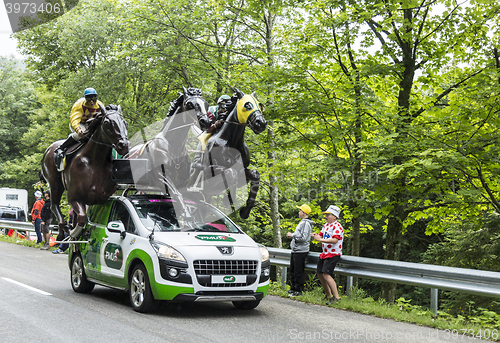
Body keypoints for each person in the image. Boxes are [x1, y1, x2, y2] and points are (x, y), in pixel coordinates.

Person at [54, 87, 105, 169]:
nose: (91, 101)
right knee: (83, 134)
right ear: (85, 98)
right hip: (80, 123)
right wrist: (78, 130)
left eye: (94, 98)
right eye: (89, 99)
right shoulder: (79, 105)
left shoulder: (100, 105)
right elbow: (74, 120)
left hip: (91, 124)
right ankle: (61, 147)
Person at [311, 205, 343, 304]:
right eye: (326, 215)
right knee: (320, 273)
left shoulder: (337, 226)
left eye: (328, 215)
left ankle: (336, 297)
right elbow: (320, 235)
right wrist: (315, 235)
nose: (326, 216)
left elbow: (334, 240)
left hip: (333, 254)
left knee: (326, 274)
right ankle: (328, 295)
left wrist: (321, 239)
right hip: (325, 253)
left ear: (335, 216)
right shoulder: (326, 225)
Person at [286, 204, 314, 297]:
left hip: (301, 251)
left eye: (300, 211)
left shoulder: (306, 223)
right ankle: (293, 288)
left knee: (298, 271)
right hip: (296, 250)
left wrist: (292, 235)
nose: (299, 212)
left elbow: (304, 238)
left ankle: (299, 290)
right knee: (293, 270)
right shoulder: (302, 222)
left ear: (304, 213)